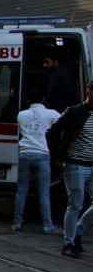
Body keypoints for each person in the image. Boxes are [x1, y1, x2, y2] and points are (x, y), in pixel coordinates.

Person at [47, 82, 93, 257]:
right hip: (75, 164)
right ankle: (69, 243)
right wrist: (58, 157)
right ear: (88, 92)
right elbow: (52, 132)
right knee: (75, 203)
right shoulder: (75, 112)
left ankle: (79, 231)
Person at [14, 88, 60, 234]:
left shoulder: (21, 115)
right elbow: (64, 120)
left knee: (22, 190)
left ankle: (17, 223)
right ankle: (47, 226)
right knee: (44, 192)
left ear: (28, 101)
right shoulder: (51, 113)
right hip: (42, 155)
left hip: (25, 154)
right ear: (43, 100)